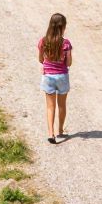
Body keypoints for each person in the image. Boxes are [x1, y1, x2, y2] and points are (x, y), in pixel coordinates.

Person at [38, 12, 72, 144]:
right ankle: (61, 130)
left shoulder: (43, 41)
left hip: (48, 76)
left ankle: (51, 133)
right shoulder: (66, 43)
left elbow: (41, 59)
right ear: (63, 27)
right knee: (62, 105)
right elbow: (68, 63)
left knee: (50, 106)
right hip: (62, 76)